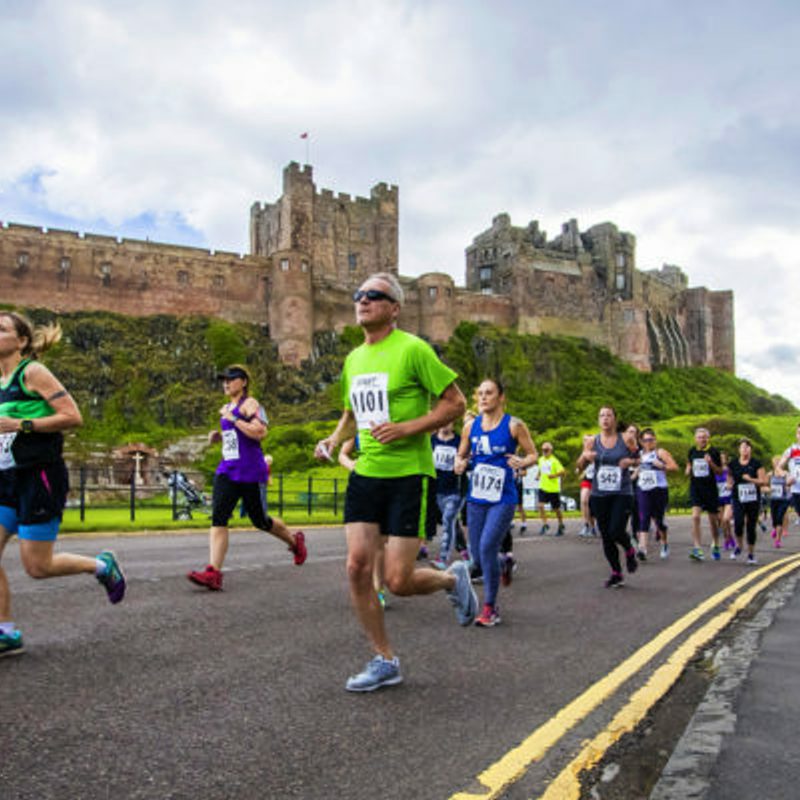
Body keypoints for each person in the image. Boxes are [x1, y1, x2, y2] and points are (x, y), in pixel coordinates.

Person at [314, 273, 474, 693]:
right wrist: (334, 439)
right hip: (367, 474)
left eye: (374, 296)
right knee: (357, 568)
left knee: (399, 582)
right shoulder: (353, 360)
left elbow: (456, 403)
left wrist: (407, 428)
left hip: (409, 476)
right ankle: (385, 659)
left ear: (394, 307)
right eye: (358, 295)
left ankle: (451, 579)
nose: (362, 301)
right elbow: (352, 414)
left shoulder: (414, 350)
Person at [0, 312, 125, 658]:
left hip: (39, 476)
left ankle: (102, 566)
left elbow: (73, 417)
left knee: (38, 567)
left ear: (21, 341)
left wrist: (21, 424)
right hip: (7, 477)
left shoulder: (32, 372)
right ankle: (6, 631)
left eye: (2, 329)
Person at [188, 364, 306, 591]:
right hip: (228, 470)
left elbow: (259, 432)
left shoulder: (251, 404)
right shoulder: (227, 407)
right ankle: (213, 572)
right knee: (218, 517)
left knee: (260, 521)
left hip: (251, 472)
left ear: (243, 382)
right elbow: (238, 435)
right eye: (223, 379)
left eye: (231, 379)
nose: (226, 383)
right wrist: (221, 436)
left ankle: (295, 542)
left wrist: (232, 419)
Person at [455, 379, 538, 626]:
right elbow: (461, 455)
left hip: (503, 497)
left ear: (501, 397)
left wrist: (523, 462)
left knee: (489, 545)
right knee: (479, 558)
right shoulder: (470, 427)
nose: (483, 397)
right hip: (477, 497)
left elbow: (532, 454)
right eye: (479, 393)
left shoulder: (514, 425)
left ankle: (490, 607)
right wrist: (459, 463)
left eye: (489, 393)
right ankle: (503, 563)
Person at [578, 406, 640, 588]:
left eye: (609, 415)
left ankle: (629, 549)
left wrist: (631, 461)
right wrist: (585, 456)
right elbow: (579, 465)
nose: (605, 418)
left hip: (622, 492)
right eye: (601, 416)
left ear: (615, 419)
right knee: (606, 536)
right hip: (599, 494)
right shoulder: (591, 441)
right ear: (598, 420)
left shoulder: (626, 438)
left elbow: (641, 458)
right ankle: (616, 572)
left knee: (615, 530)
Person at [339, 436, 388, 608]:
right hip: (362, 486)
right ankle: (365, 589)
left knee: (379, 544)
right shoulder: (358, 424)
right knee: (359, 550)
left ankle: (378, 589)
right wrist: (351, 465)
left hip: (388, 483)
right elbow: (342, 454)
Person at [634, 428, 678, 560]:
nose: (648, 443)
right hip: (643, 489)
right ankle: (642, 549)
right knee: (644, 517)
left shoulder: (660, 452)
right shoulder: (640, 455)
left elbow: (674, 467)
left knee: (659, 521)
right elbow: (638, 470)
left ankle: (664, 543)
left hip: (659, 489)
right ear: (641, 442)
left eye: (651, 440)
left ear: (655, 440)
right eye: (645, 440)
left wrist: (662, 466)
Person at [685, 427, 723, 562]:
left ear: (708, 438)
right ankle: (697, 548)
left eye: (704, 437)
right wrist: (688, 469)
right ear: (695, 439)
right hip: (696, 488)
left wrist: (710, 463)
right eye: (699, 437)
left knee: (713, 521)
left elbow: (719, 471)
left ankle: (716, 544)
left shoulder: (714, 452)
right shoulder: (692, 451)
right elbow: (689, 464)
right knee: (695, 517)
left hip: (710, 489)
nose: (702, 439)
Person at [727, 438, 766, 565]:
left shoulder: (756, 464)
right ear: (739, 450)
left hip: (753, 499)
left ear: (750, 449)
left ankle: (751, 554)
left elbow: (764, 481)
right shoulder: (733, 464)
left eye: (747, 447)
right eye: (743, 447)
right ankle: (739, 546)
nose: (745, 449)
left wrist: (751, 480)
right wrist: (729, 483)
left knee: (751, 526)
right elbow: (729, 477)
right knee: (738, 522)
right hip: (738, 497)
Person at [430, 422, 463, 569]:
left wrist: (463, 463)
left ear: (453, 423)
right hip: (436, 490)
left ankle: (443, 558)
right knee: (449, 523)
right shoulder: (431, 440)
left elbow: (468, 459)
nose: (445, 425)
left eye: (448, 422)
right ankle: (465, 549)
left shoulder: (460, 441)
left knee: (448, 520)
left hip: (454, 490)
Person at [537, 442, 566, 536]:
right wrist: (538, 475)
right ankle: (545, 524)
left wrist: (554, 475)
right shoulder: (540, 459)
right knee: (540, 506)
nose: (544, 452)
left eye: (546, 450)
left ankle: (561, 525)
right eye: (543, 450)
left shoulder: (555, 461)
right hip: (543, 487)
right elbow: (540, 469)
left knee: (556, 509)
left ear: (551, 451)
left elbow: (563, 471)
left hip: (553, 489)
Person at [767, 455, 792, 549]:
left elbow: (789, 483)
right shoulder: (770, 474)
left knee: (779, 519)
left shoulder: (785, 474)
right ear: (773, 464)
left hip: (783, 500)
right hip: (773, 499)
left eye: (779, 463)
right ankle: (774, 528)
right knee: (774, 519)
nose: (777, 464)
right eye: (775, 463)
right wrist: (768, 489)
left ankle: (778, 540)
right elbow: (764, 485)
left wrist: (788, 485)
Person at [576, 436, 597, 538]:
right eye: (585, 441)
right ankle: (586, 525)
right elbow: (579, 467)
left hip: (598, 481)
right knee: (584, 500)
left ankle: (594, 526)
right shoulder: (583, 454)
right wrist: (583, 456)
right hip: (587, 480)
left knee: (594, 505)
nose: (587, 442)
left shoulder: (599, 451)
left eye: (589, 441)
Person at [716, 452, 735, 550]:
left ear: (726, 459)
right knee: (721, 521)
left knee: (726, 519)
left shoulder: (729, 471)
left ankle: (728, 539)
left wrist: (730, 486)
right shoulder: (715, 470)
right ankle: (728, 538)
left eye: (723, 458)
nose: (721, 460)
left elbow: (734, 482)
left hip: (728, 497)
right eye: (720, 458)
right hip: (718, 498)